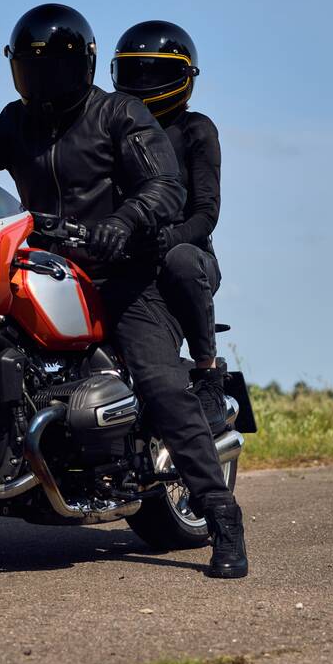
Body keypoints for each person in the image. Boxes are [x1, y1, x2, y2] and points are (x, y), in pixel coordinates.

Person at [0, 3, 247, 578]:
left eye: (56, 64)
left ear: (83, 64)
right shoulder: (17, 122)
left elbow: (165, 187)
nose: (44, 77)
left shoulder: (120, 114)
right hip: (43, 265)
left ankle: (222, 516)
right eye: (32, 64)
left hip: (124, 275)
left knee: (162, 384)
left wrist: (124, 223)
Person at [111, 21, 227, 436]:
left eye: (155, 73)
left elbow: (206, 214)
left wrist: (169, 239)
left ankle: (208, 374)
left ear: (184, 77)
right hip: (129, 253)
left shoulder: (196, 129)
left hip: (189, 256)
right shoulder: (115, 127)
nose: (144, 83)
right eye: (135, 72)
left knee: (181, 261)